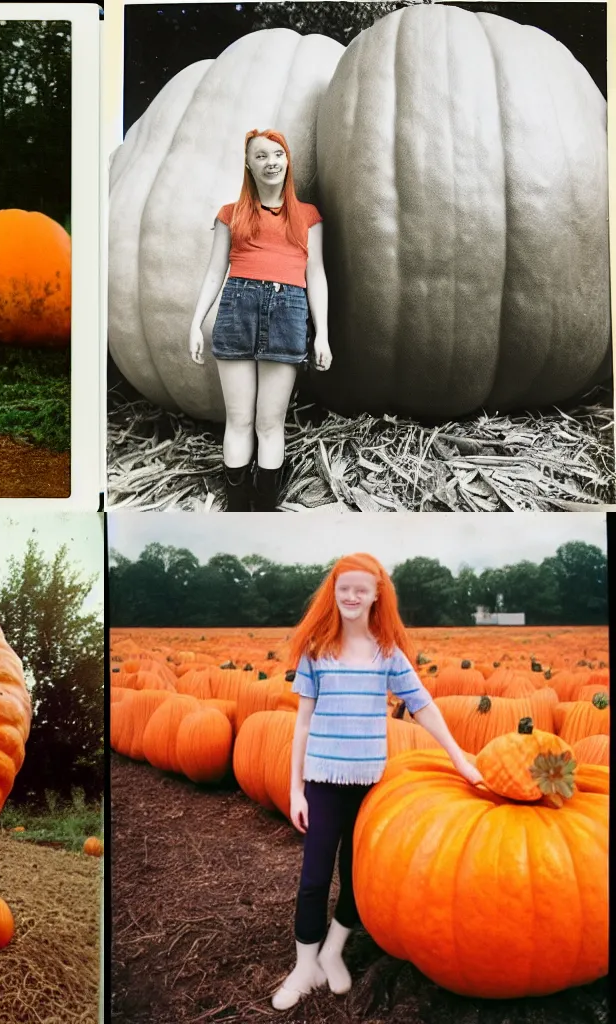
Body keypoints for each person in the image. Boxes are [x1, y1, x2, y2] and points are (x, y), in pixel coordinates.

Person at [275, 553, 482, 1010]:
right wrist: (295, 790)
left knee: (356, 881)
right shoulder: (316, 650)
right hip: (324, 782)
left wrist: (459, 757)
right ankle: (304, 965)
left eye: (360, 589)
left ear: (375, 595)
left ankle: (332, 951)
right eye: (343, 588)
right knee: (312, 879)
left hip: (371, 785)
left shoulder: (387, 653)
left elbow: (423, 705)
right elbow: (302, 725)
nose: (351, 596)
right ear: (333, 592)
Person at [188, 129, 330, 512]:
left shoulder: (308, 217)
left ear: (287, 160)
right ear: (248, 165)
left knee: (269, 424)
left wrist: (323, 336)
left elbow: (315, 275)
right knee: (238, 420)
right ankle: (237, 508)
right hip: (237, 311)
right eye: (261, 156)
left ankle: (263, 509)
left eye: (277, 154)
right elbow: (216, 271)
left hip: (288, 314)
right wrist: (196, 322)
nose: (271, 162)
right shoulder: (230, 215)